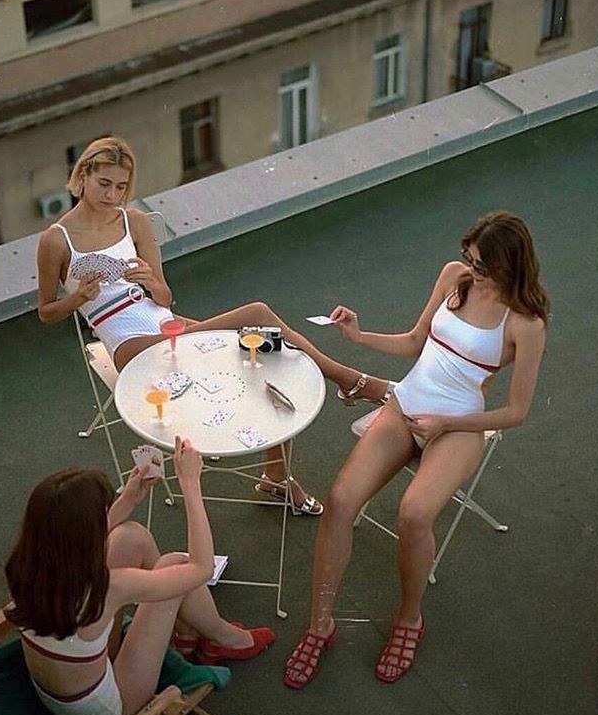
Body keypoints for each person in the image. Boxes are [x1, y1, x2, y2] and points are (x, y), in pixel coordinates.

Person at [37, 136, 391, 517]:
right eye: (104, 184)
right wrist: (77, 299)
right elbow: (46, 312)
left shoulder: (134, 221)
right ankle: (351, 382)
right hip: (127, 341)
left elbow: (165, 298)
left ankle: (277, 474)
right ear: (84, 175)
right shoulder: (56, 240)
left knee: (267, 351)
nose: (112, 195)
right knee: (256, 314)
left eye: (121, 186)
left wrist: (151, 282)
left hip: (165, 321)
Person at [283, 211, 550, 689]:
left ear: (511, 265)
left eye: (483, 265)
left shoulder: (526, 324)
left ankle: (409, 619)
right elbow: (413, 343)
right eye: (471, 258)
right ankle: (319, 624)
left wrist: (447, 422)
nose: (473, 269)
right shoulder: (455, 276)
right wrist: (358, 335)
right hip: (407, 402)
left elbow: (516, 412)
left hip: (460, 423)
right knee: (341, 501)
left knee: (414, 515)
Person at [5, 436, 275, 715]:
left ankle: (186, 630)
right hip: (109, 708)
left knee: (130, 537)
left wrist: (128, 500)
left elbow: (75, 537)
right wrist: (191, 485)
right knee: (177, 565)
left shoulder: (28, 564)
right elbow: (201, 568)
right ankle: (225, 639)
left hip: (65, 688)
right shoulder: (110, 587)